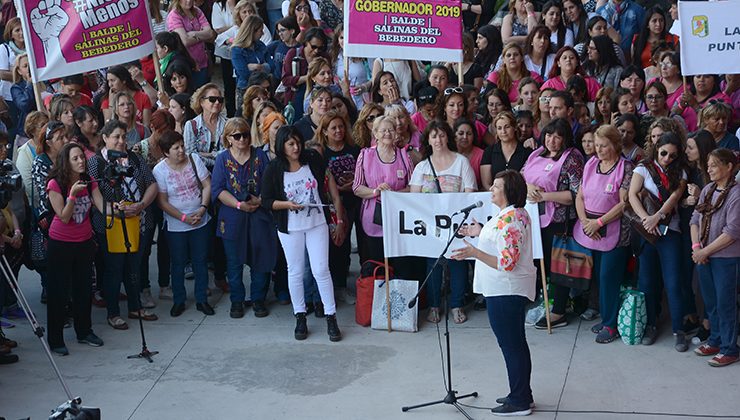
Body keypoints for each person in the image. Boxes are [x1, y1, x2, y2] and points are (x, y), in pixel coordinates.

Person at [452, 169, 536, 417]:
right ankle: (521, 394)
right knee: (515, 344)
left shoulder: (511, 219)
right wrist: (479, 233)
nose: (491, 189)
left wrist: (474, 252)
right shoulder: (509, 215)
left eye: (496, 186)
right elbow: (499, 240)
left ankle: (520, 400)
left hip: (505, 290)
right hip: (502, 289)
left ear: (508, 191)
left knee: (512, 346)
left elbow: (507, 262)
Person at [261, 126, 344, 341]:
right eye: (290, 144)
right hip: (290, 227)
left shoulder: (313, 158)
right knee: (295, 271)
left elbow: (326, 184)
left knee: (320, 269)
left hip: (317, 223)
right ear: (282, 146)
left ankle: (331, 316)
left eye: (298, 142)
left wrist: (337, 217)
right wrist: (286, 204)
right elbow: (267, 201)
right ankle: (300, 316)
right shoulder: (274, 168)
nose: (296, 147)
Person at [88, 120, 159, 330]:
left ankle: (135, 306)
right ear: (105, 138)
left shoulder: (134, 157)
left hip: (138, 220)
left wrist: (141, 205)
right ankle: (113, 313)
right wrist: (115, 211)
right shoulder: (96, 163)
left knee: (133, 266)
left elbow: (152, 183)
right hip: (110, 224)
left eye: (123, 137)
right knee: (114, 269)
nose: (121, 141)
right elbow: (95, 196)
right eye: (116, 137)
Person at [410, 120, 477, 324]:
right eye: (433, 136)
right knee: (433, 265)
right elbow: (414, 199)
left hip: (457, 225)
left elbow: (470, 193)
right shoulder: (422, 167)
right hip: (432, 227)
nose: (438, 140)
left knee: (458, 264)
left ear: (447, 136)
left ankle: (457, 305)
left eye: (441, 135)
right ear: (427, 140)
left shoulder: (461, 162)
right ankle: (434, 306)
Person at [45, 143, 107, 355]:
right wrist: (72, 195)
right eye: (76, 158)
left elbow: (101, 205)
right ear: (66, 162)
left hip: (84, 243)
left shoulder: (88, 181)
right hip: (60, 244)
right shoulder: (55, 184)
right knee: (59, 292)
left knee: (83, 289)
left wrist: (119, 208)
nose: (81, 161)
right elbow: (63, 215)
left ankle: (84, 331)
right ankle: (55, 339)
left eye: (82, 157)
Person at [628, 132, 688, 349]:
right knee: (647, 281)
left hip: (669, 231)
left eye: (672, 155)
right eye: (664, 153)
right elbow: (632, 195)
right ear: (656, 148)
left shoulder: (679, 171)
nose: (667, 159)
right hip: (646, 232)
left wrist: (658, 217)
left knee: (673, 282)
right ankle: (650, 324)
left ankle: (678, 329)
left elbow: (674, 197)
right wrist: (646, 219)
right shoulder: (643, 167)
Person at [523, 119, 584, 330]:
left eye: (558, 136)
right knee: (540, 265)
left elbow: (576, 194)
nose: (552, 140)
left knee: (558, 267)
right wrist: (529, 185)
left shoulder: (572, 158)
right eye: (549, 135)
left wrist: (545, 196)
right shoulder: (536, 153)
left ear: (565, 138)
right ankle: (544, 302)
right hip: (533, 218)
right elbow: (522, 176)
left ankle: (559, 311)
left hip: (559, 221)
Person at [574, 125, 633, 343]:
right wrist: (585, 222)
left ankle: (611, 325)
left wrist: (599, 222)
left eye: (604, 145)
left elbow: (624, 203)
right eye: (596, 145)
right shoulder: (591, 164)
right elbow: (580, 196)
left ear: (615, 145)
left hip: (613, 230)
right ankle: (607, 317)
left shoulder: (626, 167)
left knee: (610, 277)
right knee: (599, 275)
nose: (598, 150)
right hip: (591, 228)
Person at [153, 130, 213, 317]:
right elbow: (162, 201)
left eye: (182, 146)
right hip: (176, 225)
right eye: (176, 148)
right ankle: (179, 300)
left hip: (200, 219)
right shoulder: (160, 170)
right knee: (177, 263)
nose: (181, 151)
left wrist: (203, 208)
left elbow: (207, 185)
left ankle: (202, 299)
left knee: (200, 261)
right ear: (165, 152)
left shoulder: (194, 159)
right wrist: (183, 218)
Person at [690, 148, 740, 367]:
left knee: (725, 303)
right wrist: (696, 246)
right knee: (711, 302)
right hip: (704, 255)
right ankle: (716, 340)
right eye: (708, 165)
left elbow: (732, 232)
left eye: (714, 165)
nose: (708, 169)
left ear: (729, 167)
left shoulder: (736, 194)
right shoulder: (708, 189)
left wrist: (704, 251)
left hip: (725, 258)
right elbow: (695, 219)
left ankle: (730, 348)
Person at [352, 115, 414, 262]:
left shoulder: (404, 155)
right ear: (375, 133)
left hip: (399, 216)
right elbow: (357, 187)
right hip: (373, 216)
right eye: (383, 130)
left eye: (391, 130)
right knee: (377, 262)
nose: (387, 133)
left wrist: (395, 194)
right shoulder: (365, 155)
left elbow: (413, 187)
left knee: (400, 263)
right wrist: (375, 191)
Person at [314, 111, 357, 302]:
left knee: (345, 246)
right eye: (333, 128)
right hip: (331, 207)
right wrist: (335, 189)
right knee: (332, 247)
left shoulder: (354, 149)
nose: (338, 130)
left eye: (341, 126)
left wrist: (353, 184)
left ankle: (342, 285)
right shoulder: (321, 153)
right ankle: (331, 287)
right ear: (324, 131)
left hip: (353, 202)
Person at [281, 27, 329, 121]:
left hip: (318, 97)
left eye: (320, 48)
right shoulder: (293, 53)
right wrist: (308, 77)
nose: (316, 51)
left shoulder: (324, 56)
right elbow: (286, 80)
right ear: (306, 42)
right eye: (313, 47)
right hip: (296, 97)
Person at [167, 0, 216, 88]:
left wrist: (193, 34)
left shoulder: (197, 11)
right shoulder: (174, 15)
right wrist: (201, 35)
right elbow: (185, 41)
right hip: (186, 65)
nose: (189, 1)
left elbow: (210, 33)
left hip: (202, 61)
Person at [481, 111, 531, 190]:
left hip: (520, 196)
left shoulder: (526, 151)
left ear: (514, 127)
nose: (503, 131)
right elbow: (486, 183)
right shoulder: (489, 151)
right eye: (499, 128)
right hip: (495, 195)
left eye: (507, 127)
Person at [184, 83, 228, 169]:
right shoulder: (191, 125)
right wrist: (215, 161)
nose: (217, 102)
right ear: (201, 102)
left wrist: (209, 155)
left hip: (225, 170)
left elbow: (230, 152)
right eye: (212, 99)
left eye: (220, 100)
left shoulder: (228, 124)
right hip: (200, 172)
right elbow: (190, 155)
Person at [232, 15, 272, 108]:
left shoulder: (260, 45)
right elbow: (244, 74)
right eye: (260, 31)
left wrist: (258, 67)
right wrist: (264, 69)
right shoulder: (237, 50)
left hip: (263, 89)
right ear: (252, 31)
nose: (262, 33)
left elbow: (272, 65)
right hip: (245, 89)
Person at [454, 118, 484, 188]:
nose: (465, 137)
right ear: (454, 135)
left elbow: (485, 185)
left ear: (474, 136)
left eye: (469, 134)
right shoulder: (448, 154)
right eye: (461, 133)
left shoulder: (482, 155)